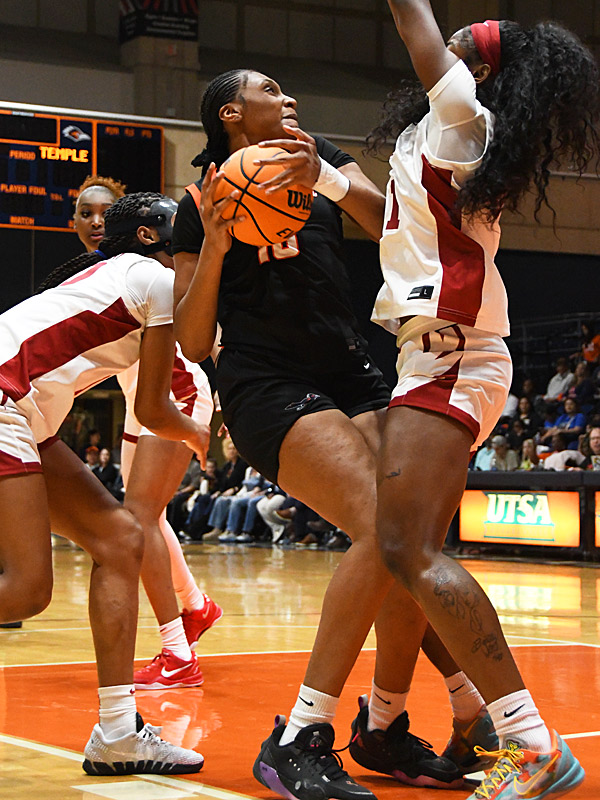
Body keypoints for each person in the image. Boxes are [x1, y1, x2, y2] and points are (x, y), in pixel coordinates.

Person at [172, 66, 487, 799]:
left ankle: (383, 727)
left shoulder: (317, 156)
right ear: (230, 112)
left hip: (350, 369)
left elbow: (395, 224)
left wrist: (331, 181)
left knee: (412, 541)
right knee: (384, 530)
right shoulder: (199, 201)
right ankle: (300, 736)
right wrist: (217, 245)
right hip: (266, 382)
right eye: (272, 91)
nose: (288, 99)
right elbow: (192, 339)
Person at [368, 2, 596, 798]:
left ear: (482, 68)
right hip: (433, 351)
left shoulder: (462, 111)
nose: (450, 39)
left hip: (453, 355)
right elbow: (396, 226)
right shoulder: (440, 135)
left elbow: (408, 16)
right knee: (403, 555)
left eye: (465, 41)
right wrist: (328, 175)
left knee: (405, 551)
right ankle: (456, 719)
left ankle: (529, 742)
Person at [0, 192, 209, 775]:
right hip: (3, 403)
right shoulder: (153, 280)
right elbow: (156, 408)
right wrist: (199, 434)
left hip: (25, 417)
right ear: (150, 235)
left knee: (119, 539)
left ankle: (117, 735)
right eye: (184, 228)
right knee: (24, 590)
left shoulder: (123, 275)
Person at [73, 175, 223, 690]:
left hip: (173, 393)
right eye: (85, 214)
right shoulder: (105, 272)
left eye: (104, 214)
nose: (95, 222)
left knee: (137, 519)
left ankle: (178, 653)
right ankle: (194, 608)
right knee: (147, 519)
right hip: (145, 398)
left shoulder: (153, 270)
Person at [73, 174, 126, 253]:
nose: (96, 223)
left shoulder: (137, 264)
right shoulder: (77, 264)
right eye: (86, 214)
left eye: (106, 213)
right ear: (75, 222)